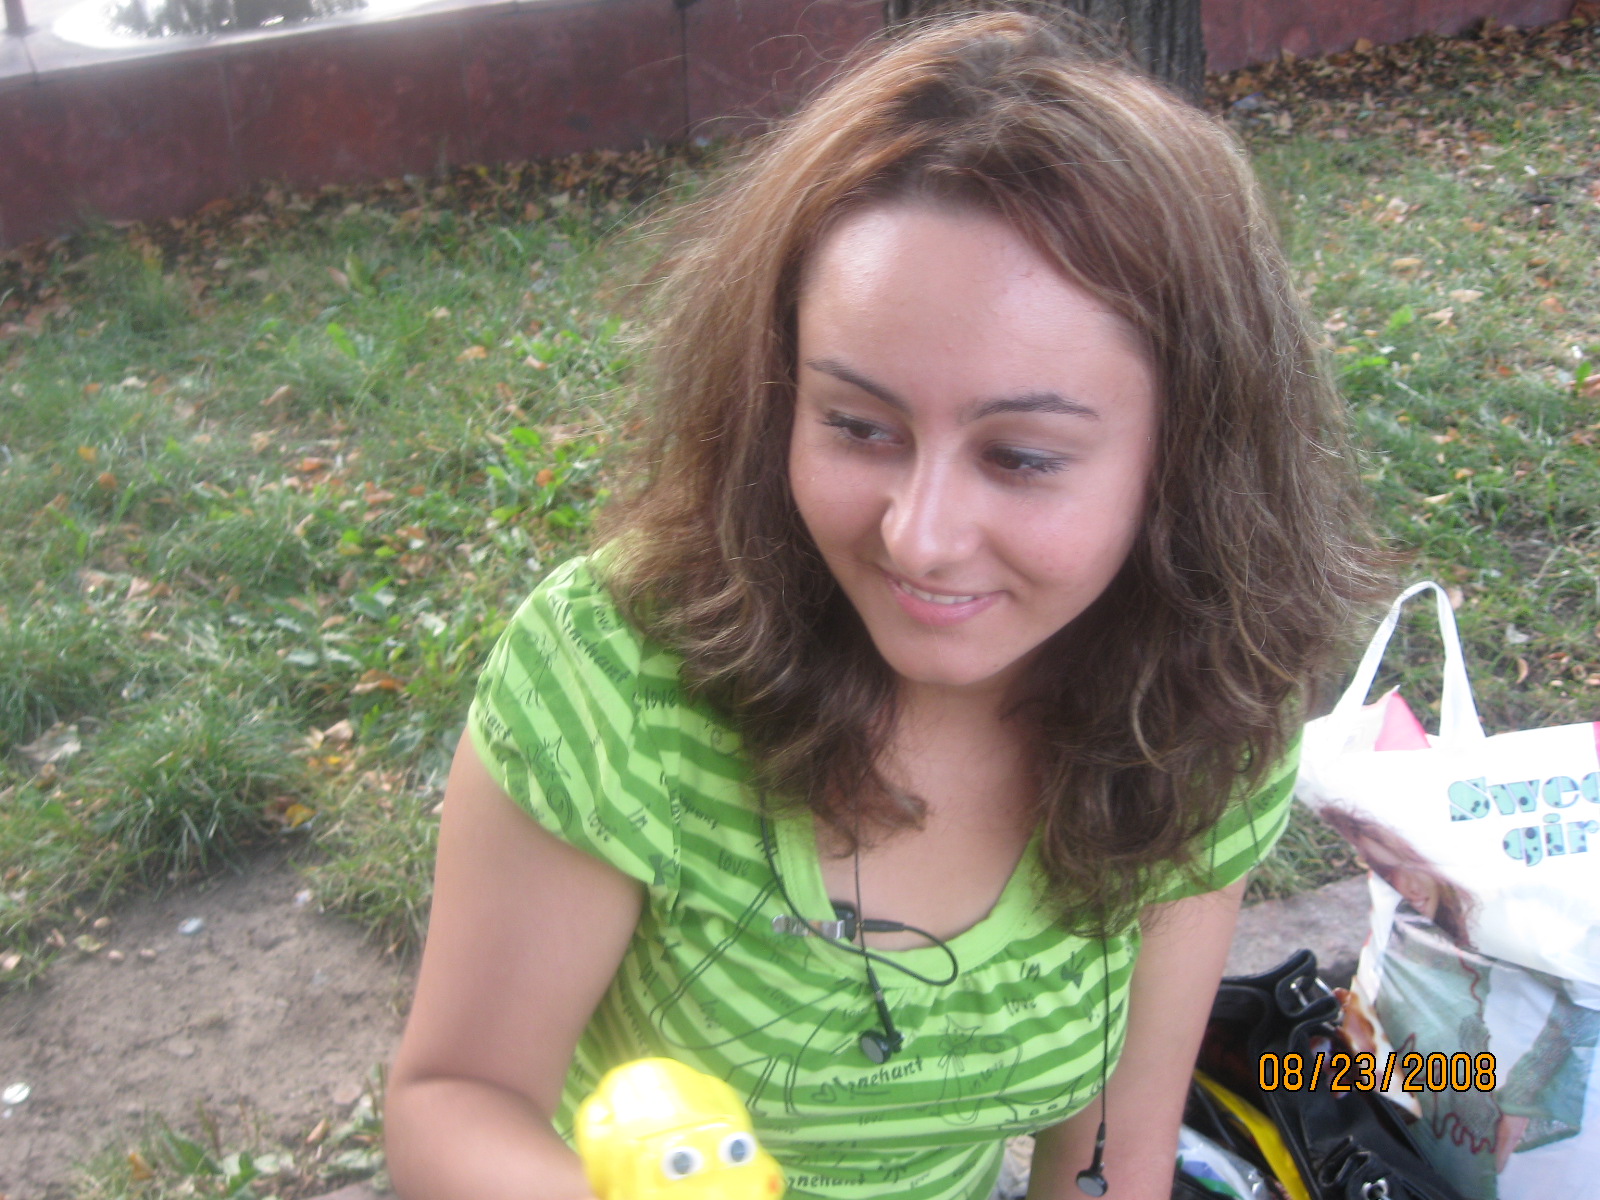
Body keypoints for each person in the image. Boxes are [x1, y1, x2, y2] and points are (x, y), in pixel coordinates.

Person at [384, 12, 1387, 1200]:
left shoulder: (1206, 710)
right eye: (859, 426)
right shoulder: (616, 670)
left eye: (1020, 456)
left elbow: (1111, 1153)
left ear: (1185, 462)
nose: (917, 535)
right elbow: (460, 1099)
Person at [1318, 806, 1600, 1199]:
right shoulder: (1403, 919)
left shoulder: (1498, 914)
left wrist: (1523, 1099)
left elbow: (1582, 1001)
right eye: (1387, 869)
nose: (1407, 885)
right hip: (1412, 1100)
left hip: (1471, 1118)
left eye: (1413, 866)